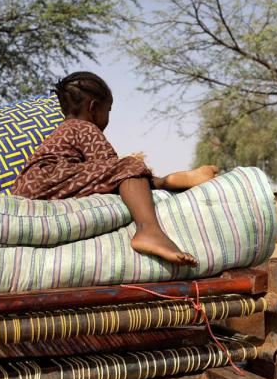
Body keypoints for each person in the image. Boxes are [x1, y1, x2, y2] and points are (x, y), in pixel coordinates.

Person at [13, 72, 218, 266]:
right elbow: (114, 168)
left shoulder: (63, 130)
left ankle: (167, 181)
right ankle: (149, 230)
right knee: (129, 165)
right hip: (49, 180)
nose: (109, 117)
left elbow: (100, 173)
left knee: (127, 169)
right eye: (108, 110)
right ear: (94, 107)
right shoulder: (85, 127)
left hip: (34, 184)